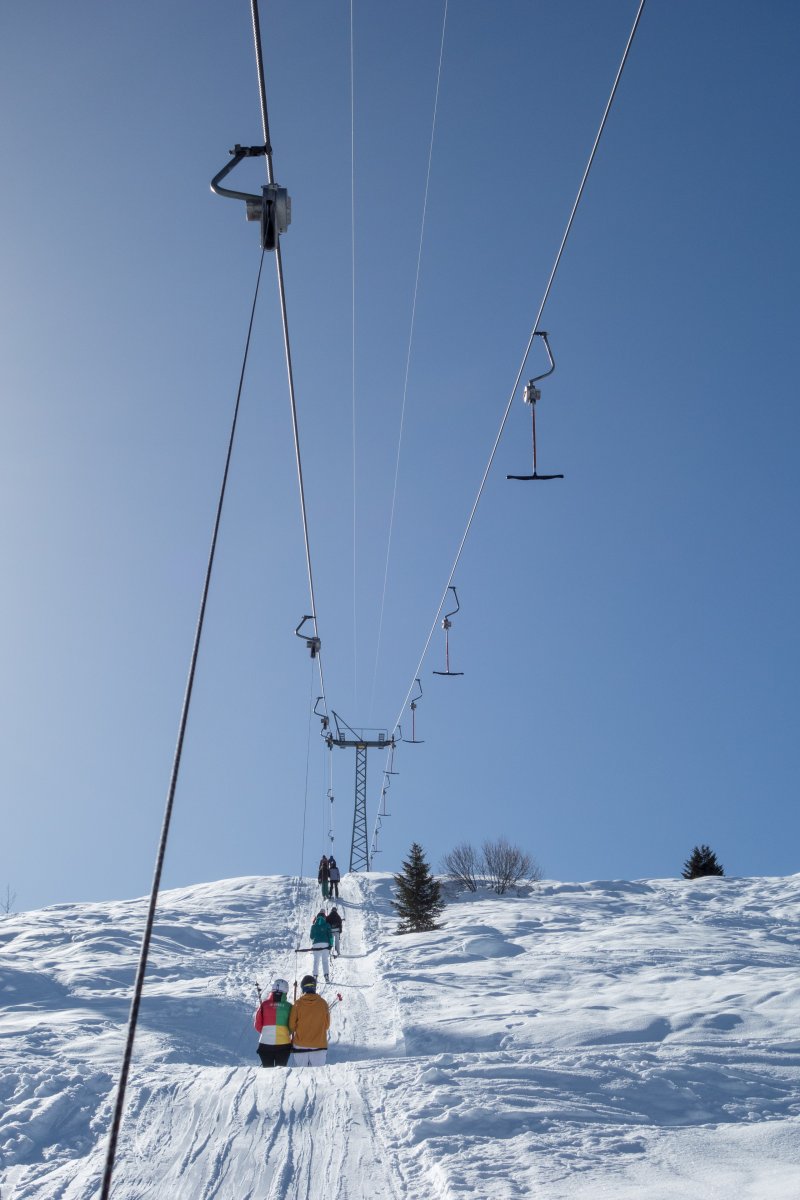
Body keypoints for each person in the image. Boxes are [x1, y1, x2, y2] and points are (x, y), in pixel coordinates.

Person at [289, 975, 331, 1066]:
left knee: (302, 1074)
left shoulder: (298, 1004)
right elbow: (327, 1025)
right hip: (319, 1046)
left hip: (300, 1046)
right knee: (318, 1076)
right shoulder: (323, 1003)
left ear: (302, 988)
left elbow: (291, 1026)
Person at [253, 978, 293, 1068]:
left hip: (265, 1044)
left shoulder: (264, 1004)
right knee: (281, 1072)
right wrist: (285, 1033)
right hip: (284, 1045)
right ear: (286, 991)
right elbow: (292, 1026)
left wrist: (267, 1033)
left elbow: (257, 1025)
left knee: (267, 1071)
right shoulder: (289, 1006)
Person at [310, 910, 333, 982]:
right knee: (325, 961)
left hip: (316, 944)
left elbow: (311, 937)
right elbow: (330, 936)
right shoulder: (327, 925)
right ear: (324, 917)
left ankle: (315, 976)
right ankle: (326, 976)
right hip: (325, 944)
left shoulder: (313, 926)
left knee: (316, 961)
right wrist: (331, 944)